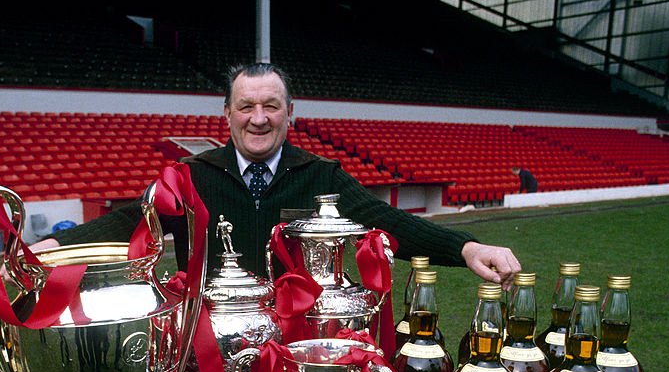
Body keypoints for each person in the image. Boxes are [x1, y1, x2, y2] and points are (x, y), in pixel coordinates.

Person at [32, 63, 521, 288]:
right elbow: (129, 225)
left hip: (297, 347)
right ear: (227, 114)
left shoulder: (320, 174)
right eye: (246, 106)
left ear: (291, 112)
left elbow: (384, 221)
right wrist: (61, 247)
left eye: (271, 106)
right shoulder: (189, 176)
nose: (258, 118)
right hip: (208, 350)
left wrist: (467, 248)